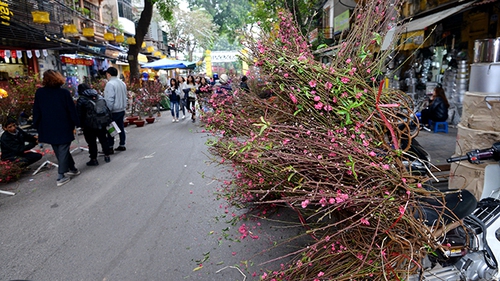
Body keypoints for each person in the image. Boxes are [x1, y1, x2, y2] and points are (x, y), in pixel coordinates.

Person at [32, 70, 80, 187]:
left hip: (48, 125)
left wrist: (36, 124)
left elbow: (36, 110)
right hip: (63, 124)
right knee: (63, 148)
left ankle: (72, 168)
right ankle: (61, 175)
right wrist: (77, 122)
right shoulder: (64, 93)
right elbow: (71, 110)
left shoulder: (40, 93)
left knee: (60, 149)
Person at [76, 84, 112, 166]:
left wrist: (80, 124)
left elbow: (79, 114)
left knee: (91, 142)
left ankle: (94, 159)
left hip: (89, 125)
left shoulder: (81, 99)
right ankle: (107, 155)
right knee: (103, 139)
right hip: (101, 121)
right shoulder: (98, 96)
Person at [104, 67, 128, 153]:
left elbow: (110, 99)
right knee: (120, 127)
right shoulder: (122, 83)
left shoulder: (110, 84)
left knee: (111, 129)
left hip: (113, 110)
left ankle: (110, 147)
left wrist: (107, 110)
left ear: (108, 74)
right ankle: (122, 144)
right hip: (121, 109)